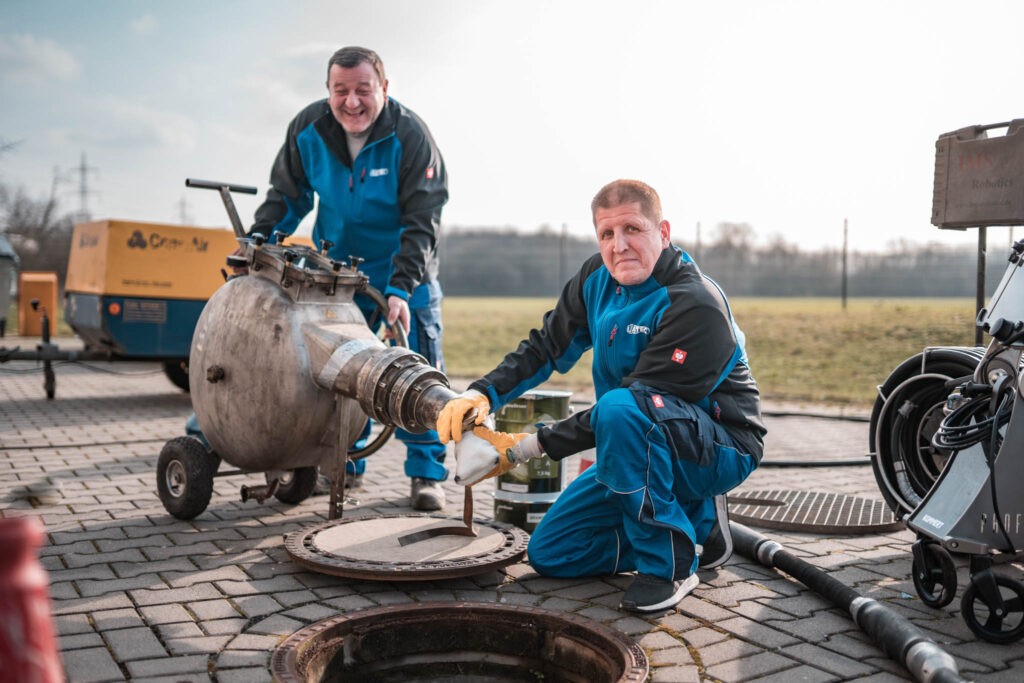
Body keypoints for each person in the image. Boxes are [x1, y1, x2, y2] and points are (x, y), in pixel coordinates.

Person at [437, 179, 766, 612]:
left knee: (621, 410)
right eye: (607, 234)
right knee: (553, 552)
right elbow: (547, 346)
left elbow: (637, 401)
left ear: (663, 233)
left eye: (633, 229)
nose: (619, 246)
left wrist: (521, 449)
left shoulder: (695, 303)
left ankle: (670, 564)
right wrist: (482, 394)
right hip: (632, 443)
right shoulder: (597, 278)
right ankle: (696, 525)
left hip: (720, 448)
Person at [248, 45, 450, 510]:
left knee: (418, 369)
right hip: (337, 273)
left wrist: (401, 288)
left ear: (384, 88)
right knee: (337, 371)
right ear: (328, 91)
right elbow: (287, 196)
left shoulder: (411, 135)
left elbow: (422, 219)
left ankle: (426, 477)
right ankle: (344, 465)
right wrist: (256, 244)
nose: (352, 101)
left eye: (364, 89)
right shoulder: (308, 129)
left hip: (405, 271)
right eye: (341, 90)